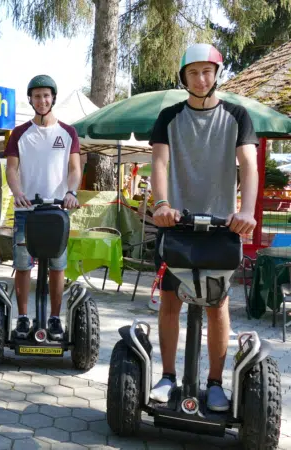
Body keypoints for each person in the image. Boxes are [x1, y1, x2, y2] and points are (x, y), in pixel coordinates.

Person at [149, 43, 258, 411]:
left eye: (207, 72)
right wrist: (161, 203)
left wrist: (246, 211)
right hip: (177, 224)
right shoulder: (169, 117)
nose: (200, 79)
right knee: (169, 301)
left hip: (221, 227)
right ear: (184, 78)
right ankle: (166, 376)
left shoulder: (237, 116)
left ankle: (214, 384)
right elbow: (160, 164)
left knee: (217, 304)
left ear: (216, 75)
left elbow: (249, 165)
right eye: (193, 73)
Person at [4, 75, 82, 340]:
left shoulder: (67, 132)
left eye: (46, 95)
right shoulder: (19, 133)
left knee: (57, 266)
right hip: (28, 212)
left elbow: (74, 169)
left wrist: (71, 192)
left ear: (53, 98)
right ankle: (24, 317)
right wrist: (18, 192)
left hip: (57, 212)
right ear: (30, 99)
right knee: (23, 264)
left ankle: (55, 318)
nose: (42, 100)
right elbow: (12, 169)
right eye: (37, 96)